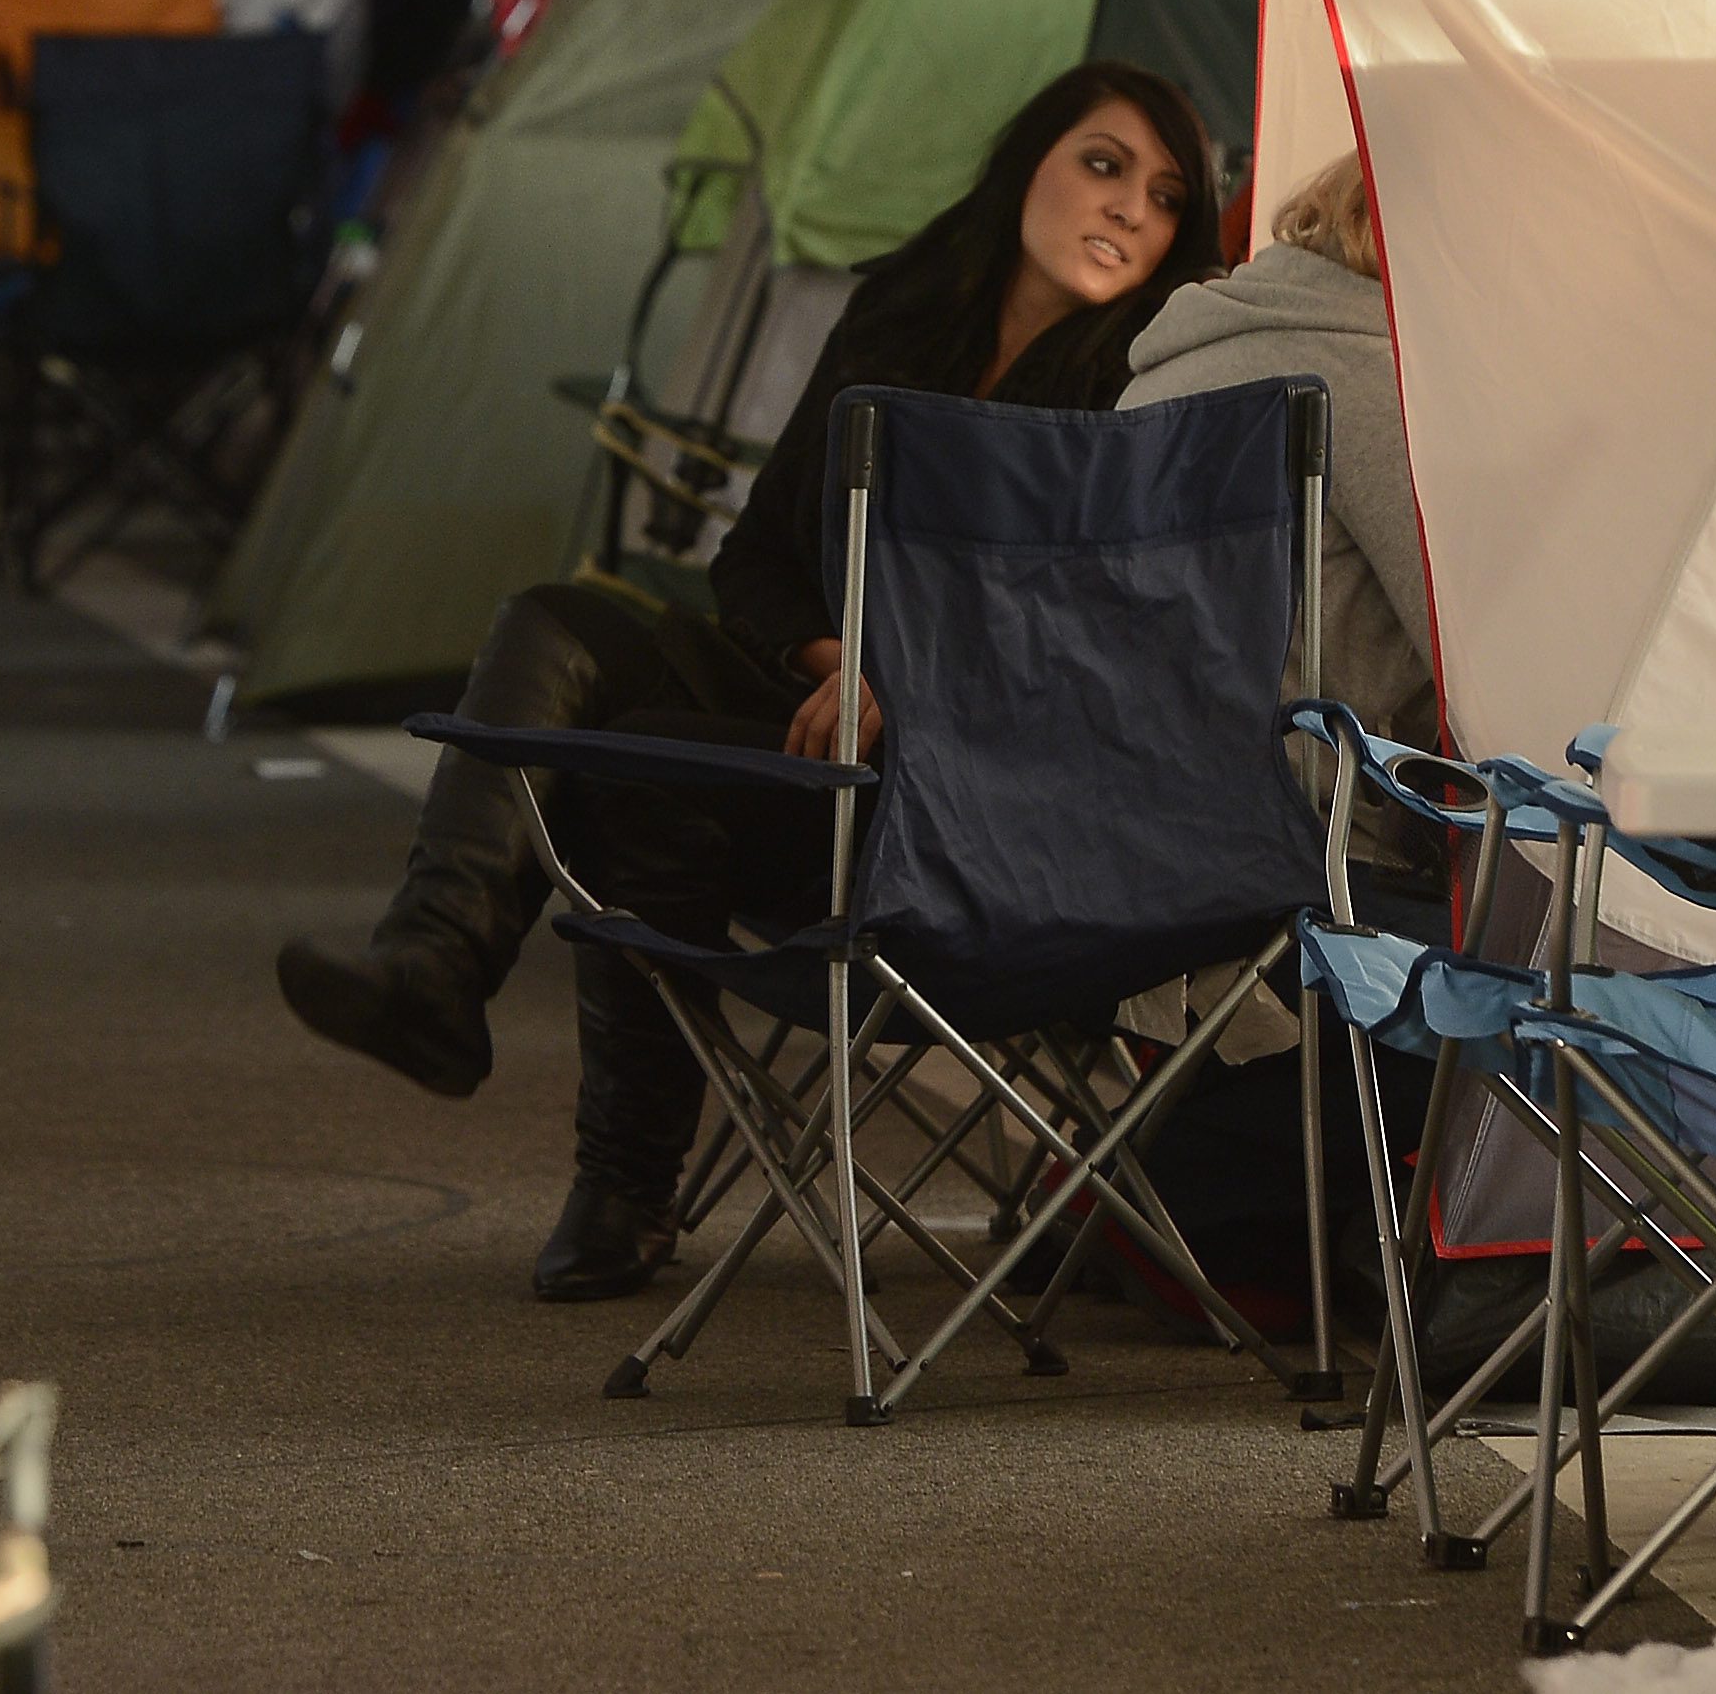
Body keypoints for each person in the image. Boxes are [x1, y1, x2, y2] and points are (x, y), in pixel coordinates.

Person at [275, 63, 1221, 1298]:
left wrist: (910, 682)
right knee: (558, 623)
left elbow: (1094, 643)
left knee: (651, 778)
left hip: (966, 795)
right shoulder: (901, 311)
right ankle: (435, 965)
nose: (1130, 211)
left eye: (1163, 195)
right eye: (1103, 164)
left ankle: (623, 1181)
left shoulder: (1137, 386)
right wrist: (839, 656)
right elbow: (757, 558)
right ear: (1028, 163)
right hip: (816, 714)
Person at [1103, 151, 1445, 1318]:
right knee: (1563, 961)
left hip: (1103, 868)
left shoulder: (1166, 365)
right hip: (1299, 865)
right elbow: (1475, 658)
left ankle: (1165, 1175)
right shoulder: (1369, 377)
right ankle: (1217, 1198)